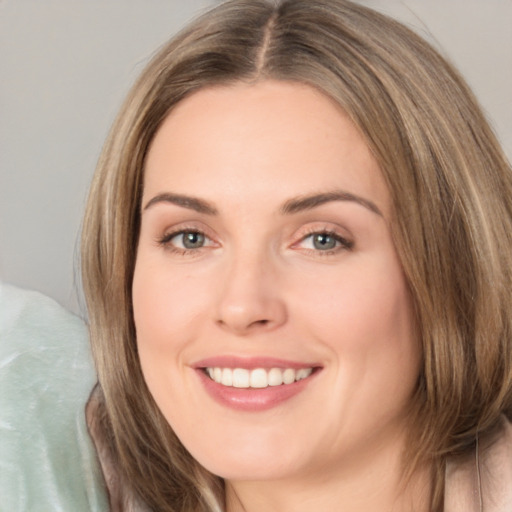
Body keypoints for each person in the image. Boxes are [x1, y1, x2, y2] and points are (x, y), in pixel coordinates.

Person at [80, 0, 512, 510]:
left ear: (453, 266)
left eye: (322, 239)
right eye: (190, 237)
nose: (242, 306)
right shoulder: (34, 466)